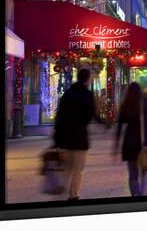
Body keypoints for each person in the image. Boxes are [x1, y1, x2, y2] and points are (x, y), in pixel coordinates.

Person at [53, 68, 96, 201]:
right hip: (80, 139)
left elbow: (59, 117)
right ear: (87, 79)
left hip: (65, 138)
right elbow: (90, 116)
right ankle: (73, 195)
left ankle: (61, 191)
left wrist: (57, 139)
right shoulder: (88, 95)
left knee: (66, 168)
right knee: (78, 170)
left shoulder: (67, 94)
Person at [114, 81, 147, 196]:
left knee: (133, 175)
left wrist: (116, 146)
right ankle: (142, 193)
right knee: (145, 171)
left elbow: (119, 127)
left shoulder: (126, 104)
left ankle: (135, 194)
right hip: (144, 143)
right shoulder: (146, 103)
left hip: (130, 144)